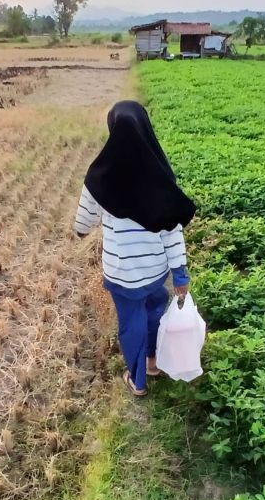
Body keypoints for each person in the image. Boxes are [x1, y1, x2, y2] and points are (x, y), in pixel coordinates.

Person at [74, 100, 196, 396]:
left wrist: (83, 228)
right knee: (155, 311)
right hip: (155, 269)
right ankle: (154, 363)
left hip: (121, 273)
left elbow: (82, 223)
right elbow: (172, 231)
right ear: (146, 129)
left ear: (112, 129)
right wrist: (179, 273)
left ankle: (138, 380)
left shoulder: (99, 177)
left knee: (132, 324)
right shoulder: (161, 175)